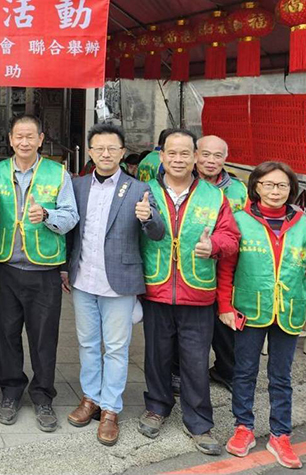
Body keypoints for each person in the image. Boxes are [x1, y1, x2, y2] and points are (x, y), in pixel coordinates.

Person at [218, 161, 306, 469]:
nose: (275, 191)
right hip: (250, 308)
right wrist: (224, 307)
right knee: (244, 372)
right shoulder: (240, 220)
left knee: (281, 375)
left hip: (289, 308)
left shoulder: (305, 224)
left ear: (291, 190)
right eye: (268, 184)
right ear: (256, 187)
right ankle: (243, 428)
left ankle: (280, 434)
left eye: (282, 185)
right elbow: (226, 267)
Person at [137, 129, 240, 456]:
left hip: (197, 291)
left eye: (185, 153)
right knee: (156, 355)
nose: (178, 159)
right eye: (172, 153)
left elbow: (232, 238)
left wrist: (214, 246)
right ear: (162, 156)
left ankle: (199, 422)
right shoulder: (145, 191)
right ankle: (157, 406)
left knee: (195, 361)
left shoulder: (214, 197)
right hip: (156, 287)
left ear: (195, 157)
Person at [66, 123, 165, 446]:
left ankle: (110, 409)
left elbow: (158, 233)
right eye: (99, 148)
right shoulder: (77, 185)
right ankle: (90, 398)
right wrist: (65, 270)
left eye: (112, 148)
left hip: (119, 282)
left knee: (117, 348)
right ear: (90, 152)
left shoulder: (139, 189)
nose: (105, 154)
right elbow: (71, 232)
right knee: (88, 343)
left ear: (123, 153)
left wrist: (148, 217)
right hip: (84, 279)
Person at [0, 115, 79, 432]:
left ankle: (42, 396)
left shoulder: (58, 173)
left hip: (44, 269)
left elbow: (71, 217)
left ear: (41, 139)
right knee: (7, 334)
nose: (24, 142)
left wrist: (48, 214)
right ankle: (10, 392)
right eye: (18, 136)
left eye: (30, 136)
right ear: (10, 139)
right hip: (7, 266)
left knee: (44, 337)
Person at [192, 134, 249, 392]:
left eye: (218, 156)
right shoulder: (185, 182)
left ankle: (226, 370)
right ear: (196, 155)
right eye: (205, 154)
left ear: (225, 158)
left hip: (228, 264)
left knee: (225, 322)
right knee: (192, 326)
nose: (211, 161)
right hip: (193, 265)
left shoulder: (239, 189)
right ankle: (184, 373)